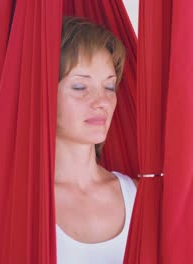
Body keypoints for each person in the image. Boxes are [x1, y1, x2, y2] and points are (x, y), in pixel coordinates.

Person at [54, 16, 137, 264]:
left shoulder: (139, 196)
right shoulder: (22, 205)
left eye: (109, 87)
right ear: (44, 93)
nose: (101, 101)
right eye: (80, 87)